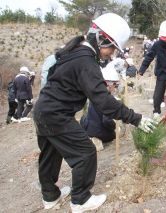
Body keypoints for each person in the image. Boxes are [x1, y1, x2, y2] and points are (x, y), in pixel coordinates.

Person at [33, 13, 157, 212]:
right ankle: (80, 200)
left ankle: (50, 197)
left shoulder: (74, 51)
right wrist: (136, 119)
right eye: (111, 49)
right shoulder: (85, 61)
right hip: (57, 113)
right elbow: (103, 102)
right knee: (85, 152)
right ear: (101, 39)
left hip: (43, 110)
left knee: (51, 152)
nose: (111, 54)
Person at [138, 20, 166, 118]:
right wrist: (142, 70)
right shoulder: (158, 44)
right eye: (163, 38)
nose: (164, 40)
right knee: (158, 93)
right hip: (161, 71)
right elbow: (149, 57)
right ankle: (156, 111)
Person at [80, 63, 120, 144]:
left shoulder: (95, 93)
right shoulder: (106, 98)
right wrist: (115, 126)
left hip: (89, 130)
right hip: (100, 133)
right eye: (115, 85)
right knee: (115, 134)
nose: (115, 88)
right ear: (108, 84)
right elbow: (106, 121)